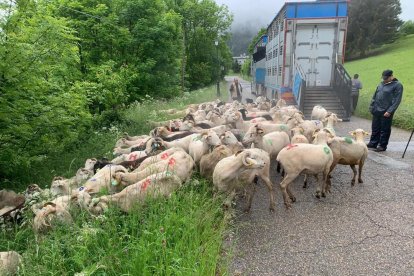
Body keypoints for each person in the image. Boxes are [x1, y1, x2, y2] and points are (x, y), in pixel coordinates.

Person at [367, 69, 403, 152]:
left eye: (386, 78)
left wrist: (390, 111)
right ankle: (373, 143)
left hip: (386, 111)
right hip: (376, 110)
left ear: (391, 76)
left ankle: (382, 146)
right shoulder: (381, 84)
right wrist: (372, 106)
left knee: (385, 129)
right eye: (383, 78)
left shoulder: (397, 85)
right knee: (375, 128)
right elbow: (375, 96)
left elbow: (397, 100)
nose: (384, 80)